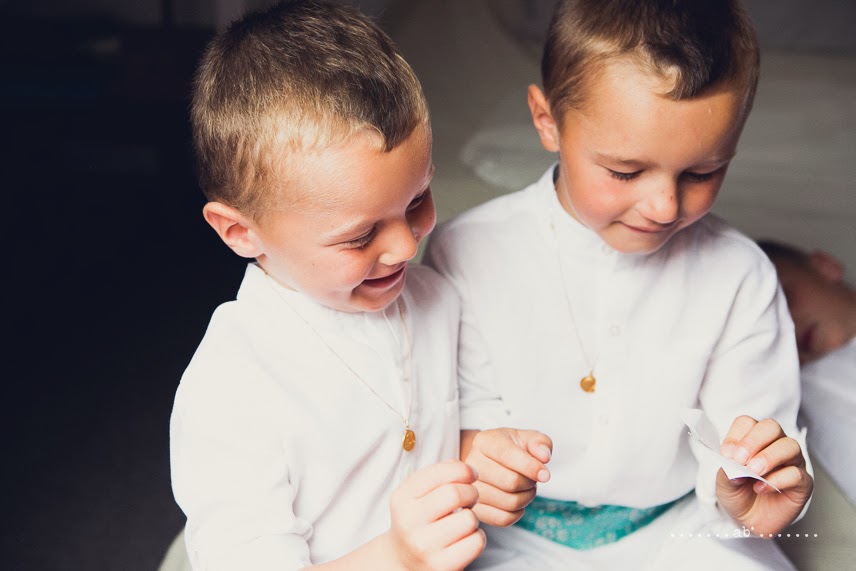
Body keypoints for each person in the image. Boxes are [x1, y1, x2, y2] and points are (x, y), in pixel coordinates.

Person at [425, 0, 813, 568]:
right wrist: (477, 453)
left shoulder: (740, 276)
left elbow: (747, 447)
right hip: (510, 535)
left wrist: (755, 494)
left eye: (702, 173)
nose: (664, 206)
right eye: (625, 172)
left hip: (678, 528)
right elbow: (453, 419)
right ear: (547, 122)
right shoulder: (466, 252)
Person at [169, 2, 496, 569]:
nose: (406, 246)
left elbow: (449, 422)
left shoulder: (437, 298)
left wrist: (484, 453)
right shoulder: (232, 386)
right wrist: (397, 556)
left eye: (417, 200)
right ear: (241, 232)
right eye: (360, 236)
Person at [758, 239, 856, 505]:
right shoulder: (802, 402)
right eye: (768, 329)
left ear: (824, 266)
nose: (788, 326)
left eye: (783, 299)